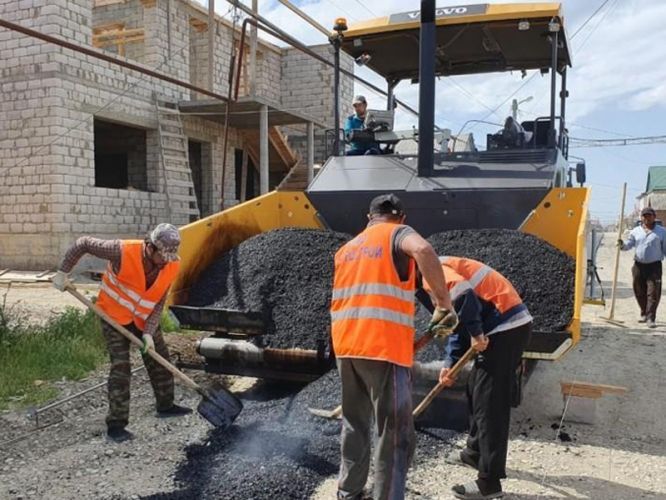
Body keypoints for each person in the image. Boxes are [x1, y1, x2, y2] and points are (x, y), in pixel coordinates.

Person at [331, 193, 457, 500]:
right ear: (401, 217)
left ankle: (348, 491)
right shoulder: (398, 233)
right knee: (394, 432)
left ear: (368, 218)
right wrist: (443, 303)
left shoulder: (347, 249)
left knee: (355, 423)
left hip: (346, 346)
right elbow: (423, 249)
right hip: (383, 349)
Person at [52, 223, 192, 442]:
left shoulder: (171, 264)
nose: (164, 261)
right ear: (150, 246)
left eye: (168, 257)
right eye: (161, 256)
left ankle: (166, 406)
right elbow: (83, 244)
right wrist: (63, 272)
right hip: (114, 317)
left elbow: (158, 302)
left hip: (143, 318)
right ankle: (116, 426)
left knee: (160, 359)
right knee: (121, 368)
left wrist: (148, 332)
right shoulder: (122, 251)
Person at [421, 257, 532, 500]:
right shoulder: (429, 273)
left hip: (506, 327)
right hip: (499, 324)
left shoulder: (430, 270)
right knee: (475, 389)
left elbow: (465, 297)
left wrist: (476, 333)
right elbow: (455, 320)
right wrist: (450, 363)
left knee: (490, 403)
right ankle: (473, 453)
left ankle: (489, 483)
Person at [619, 206, 666, 328]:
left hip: (654, 266)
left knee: (653, 292)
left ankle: (651, 318)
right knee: (639, 291)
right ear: (641, 218)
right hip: (638, 266)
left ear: (654, 217)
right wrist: (622, 245)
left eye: (649, 216)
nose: (647, 218)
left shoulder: (662, 232)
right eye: (644, 216)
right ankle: (644, 313)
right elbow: (629, 245)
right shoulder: (636, 231)